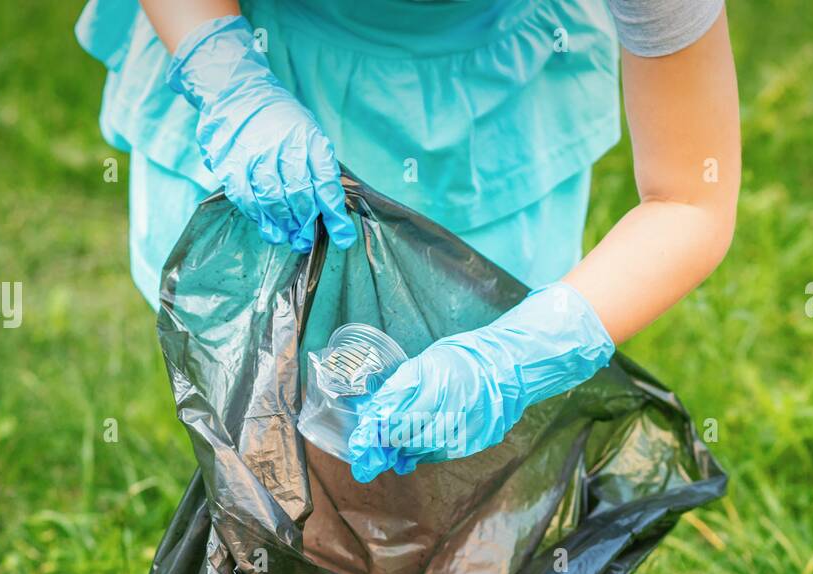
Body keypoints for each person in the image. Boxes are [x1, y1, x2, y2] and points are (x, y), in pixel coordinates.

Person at [75, 0, 740, 481]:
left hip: (491, 109)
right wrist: (229, 81)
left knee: (444, 478)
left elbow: (690, 196)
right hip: (259, 44)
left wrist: (510, 360)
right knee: (269, 434)